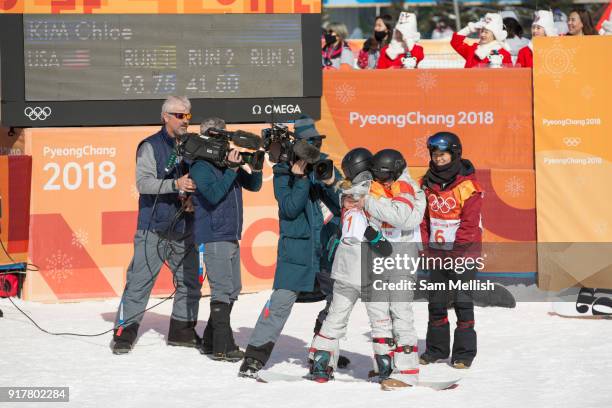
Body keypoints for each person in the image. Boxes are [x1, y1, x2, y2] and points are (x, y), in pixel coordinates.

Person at [310, 149, 427, 390]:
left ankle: (321, 363)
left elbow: (403, 217)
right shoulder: (373, 190)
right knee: (383, 318)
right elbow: (398, 219)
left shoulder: (374, 190)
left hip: (361, 264)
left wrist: (348, 190)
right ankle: (394, 368)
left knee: (339, 315)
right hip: (376, 265)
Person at [238, 121, 341, 378]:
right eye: (310, 144)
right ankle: (253, 359)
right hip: (296, 250)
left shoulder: (323, 165)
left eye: (317, 144)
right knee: (280, 303)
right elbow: (290, 209)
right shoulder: (283, 173)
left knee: (339, 302)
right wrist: (301, 178)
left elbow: (341, 205)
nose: (314, 148)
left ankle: (321, 351)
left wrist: (328, 181)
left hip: (326, 248)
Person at [111, 96, 201, 355]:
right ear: (165, 117)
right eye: (179, 115)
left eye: (188, 116)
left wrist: (194, 198)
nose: (185, 120)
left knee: (190, 282)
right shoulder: (150, 146)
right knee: (139, 283)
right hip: (153, 227)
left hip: (185, 227)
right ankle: (124, 333)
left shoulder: (193, 146)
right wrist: (176, 185)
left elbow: (200, 181)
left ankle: (182, 331)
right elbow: (144, 184)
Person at [189, 119, 263, 362]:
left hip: (230, 233)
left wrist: (256, 166)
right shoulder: (200, 165)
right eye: (217, 137)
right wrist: (231, 170)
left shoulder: (225, 162)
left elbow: (253, 185)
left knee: (233, 289)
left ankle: (211, 341)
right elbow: (212, 195)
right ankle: (223, 345)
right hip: (213, 233)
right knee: (222, 289)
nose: (222, 142)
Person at [418, 132, 483, 369]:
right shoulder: (426, 183)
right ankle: (436, 350)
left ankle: (464, 354)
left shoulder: (468, 186)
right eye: (435, 154)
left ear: (454, 154)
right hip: (437, 253)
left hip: (463, 254)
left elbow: (469, 225)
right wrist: (426, 248)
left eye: (443, 154)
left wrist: (454, 254)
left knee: (463, 302)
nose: (438, 159)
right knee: (436, 302)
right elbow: (423, 219)